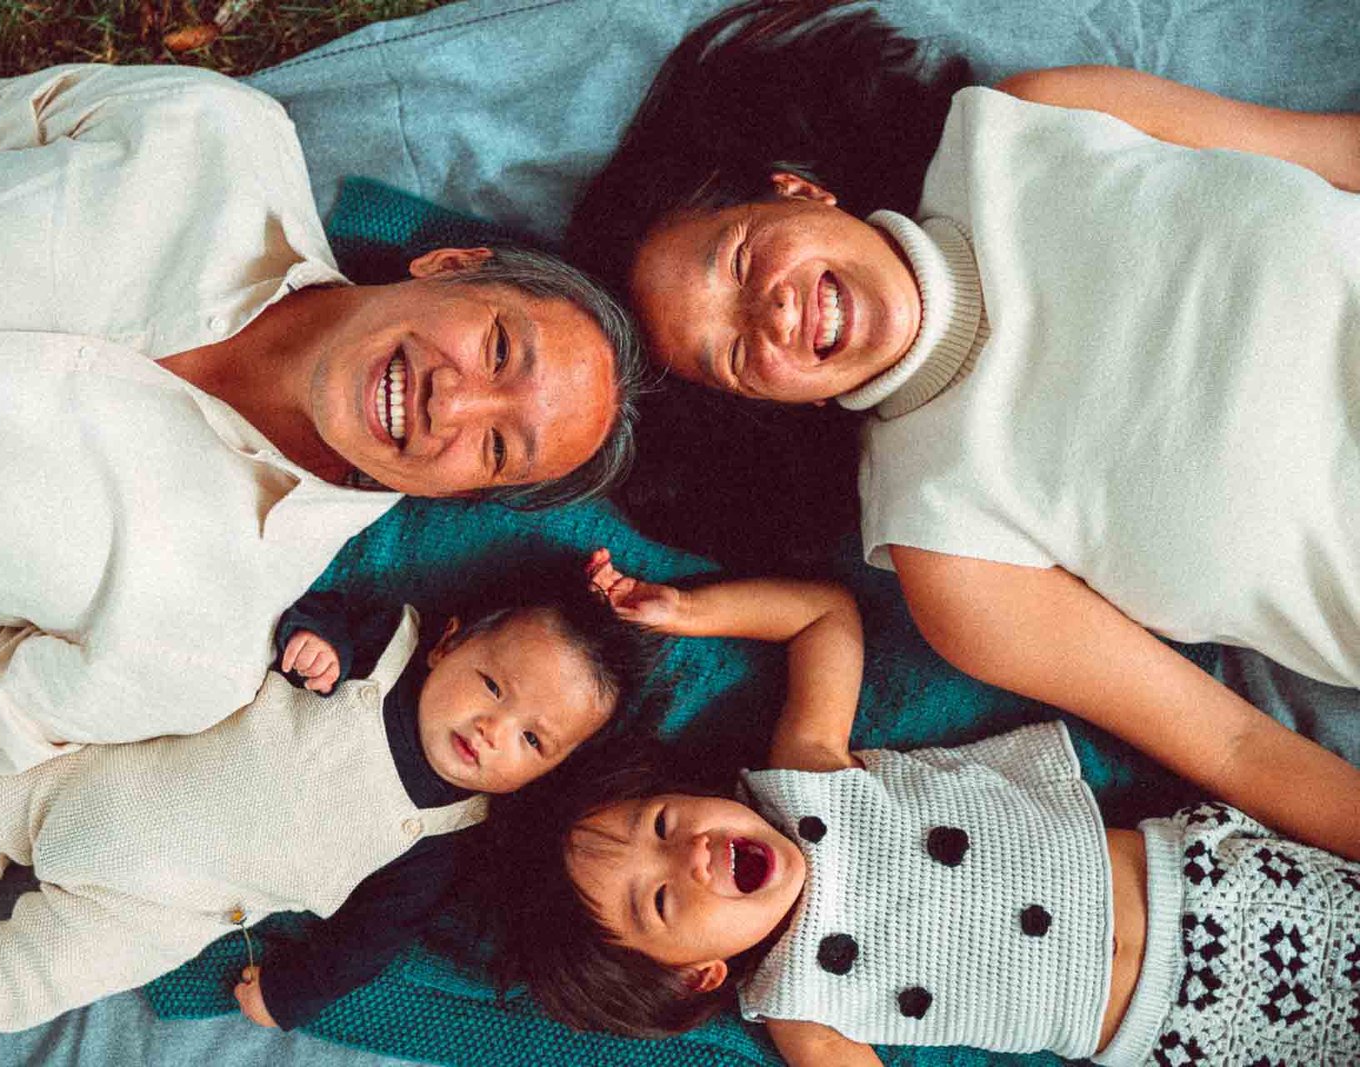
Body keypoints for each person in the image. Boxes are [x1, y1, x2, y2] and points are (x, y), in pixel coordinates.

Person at [0, 63, 642, 884]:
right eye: (496, 348)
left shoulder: (200, 641)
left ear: (462, 498)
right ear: (450, 266)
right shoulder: (216, 135)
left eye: (494, 449)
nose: (452, 405)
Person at [565, 0, 1360, 858]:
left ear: (799, 190)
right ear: (769, 405)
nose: (774, 310)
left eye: (745, 259)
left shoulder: (1036, 119)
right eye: (733, 352)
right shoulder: (952, 556)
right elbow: (1236, 747)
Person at [503, 562, 1360, 1066]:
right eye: (660, 901)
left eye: (659, 821)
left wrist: (694, 611)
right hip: (1186, 1033)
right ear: (698, 975)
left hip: (1229, 893)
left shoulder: (805, 779)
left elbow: (822, 617)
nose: (686, 853)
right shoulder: (800, 1006)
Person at [0, 559, 660, 1037]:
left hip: (167, 911)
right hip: (111, 775)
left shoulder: (441, 836)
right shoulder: (384, 649)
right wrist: (317, 636)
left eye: (532, 740)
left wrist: (291, 993)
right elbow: (308, 605)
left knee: (43, 974)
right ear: (448, 644)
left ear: (546, 772)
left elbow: (371, 939)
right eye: (492, 684)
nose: (493, 727)